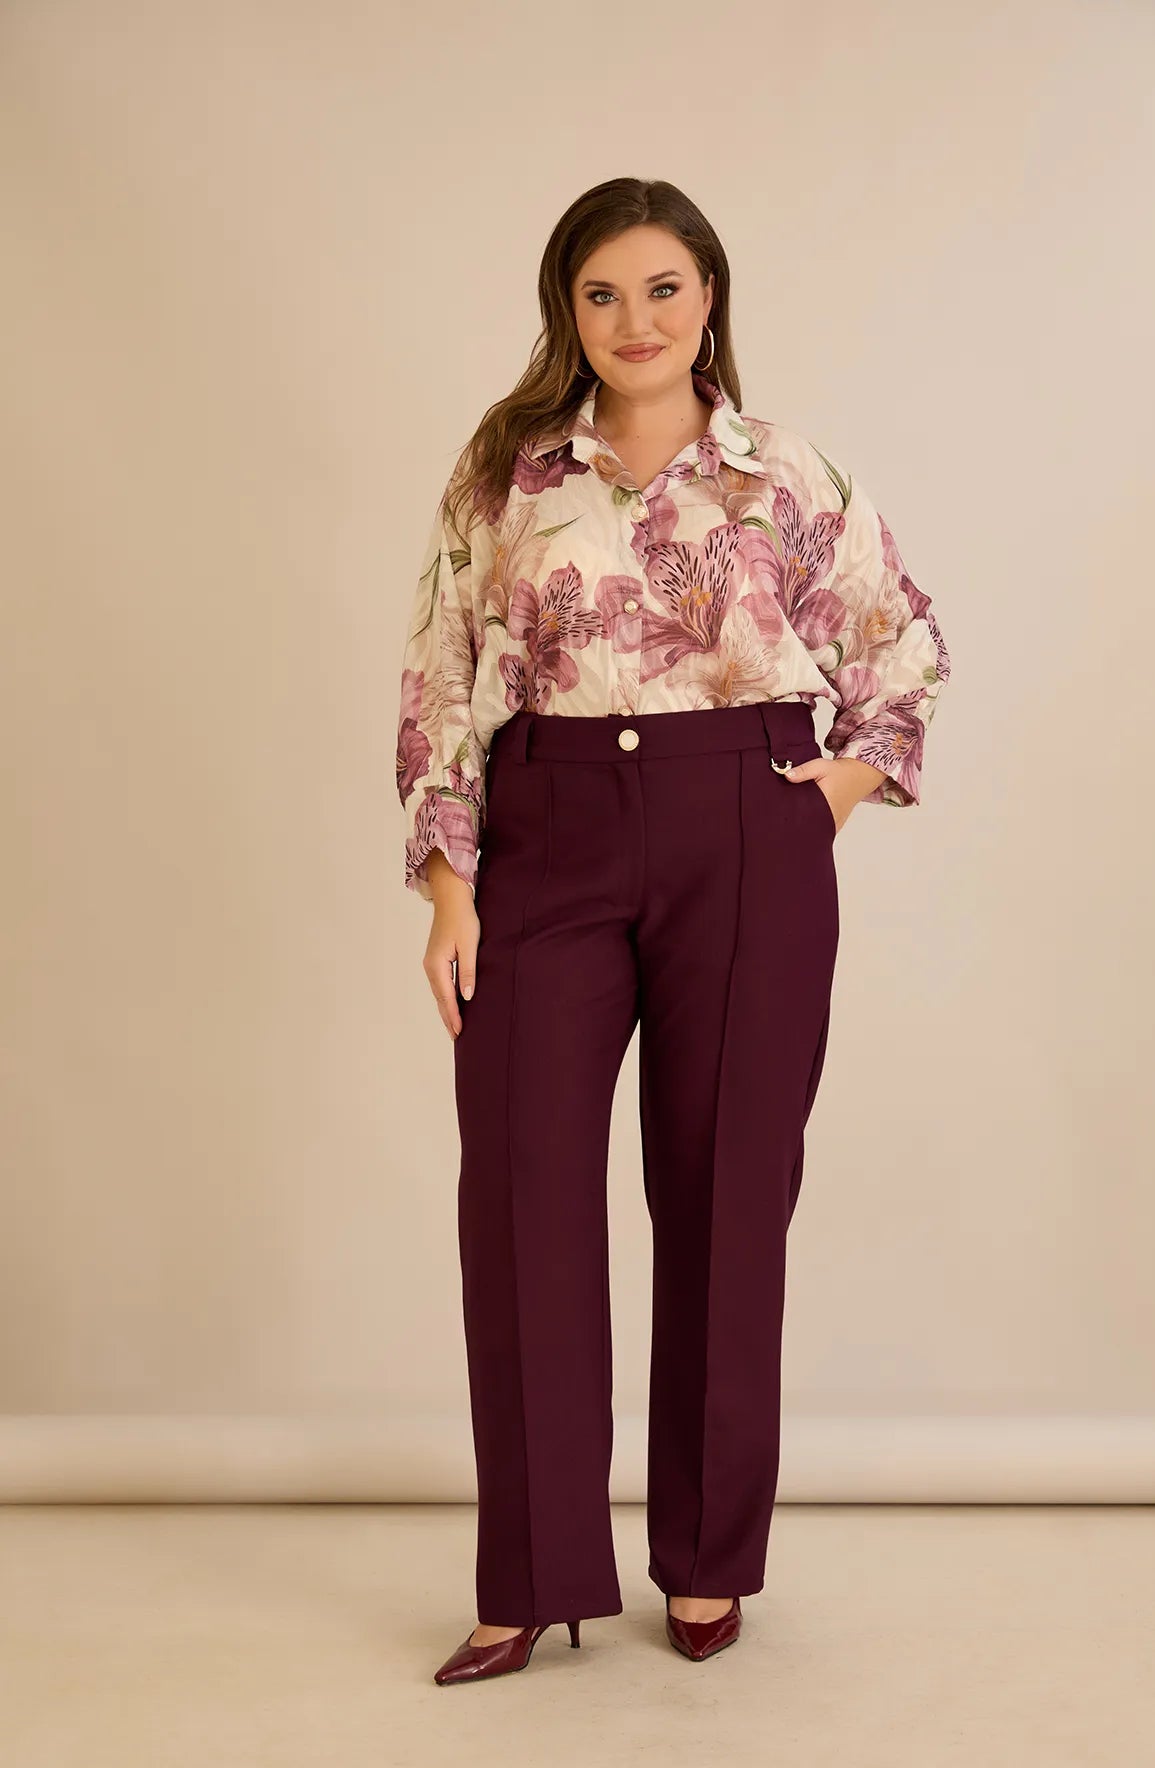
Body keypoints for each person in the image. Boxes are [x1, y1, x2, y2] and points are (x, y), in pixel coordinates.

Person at [394, 177, 952, 1686]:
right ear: (565, 313)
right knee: (521, 1196)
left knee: (724, 1201)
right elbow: (441, 673)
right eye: (600, 294)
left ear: (709, 299)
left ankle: (707, 1562)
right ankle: (531, 1579)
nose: (633, 320)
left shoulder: (785, 471)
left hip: (745, 831)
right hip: (547, 832)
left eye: (661, 288)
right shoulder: (509, 474)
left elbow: (903, 645)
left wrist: (826, 800)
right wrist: (450, 885)